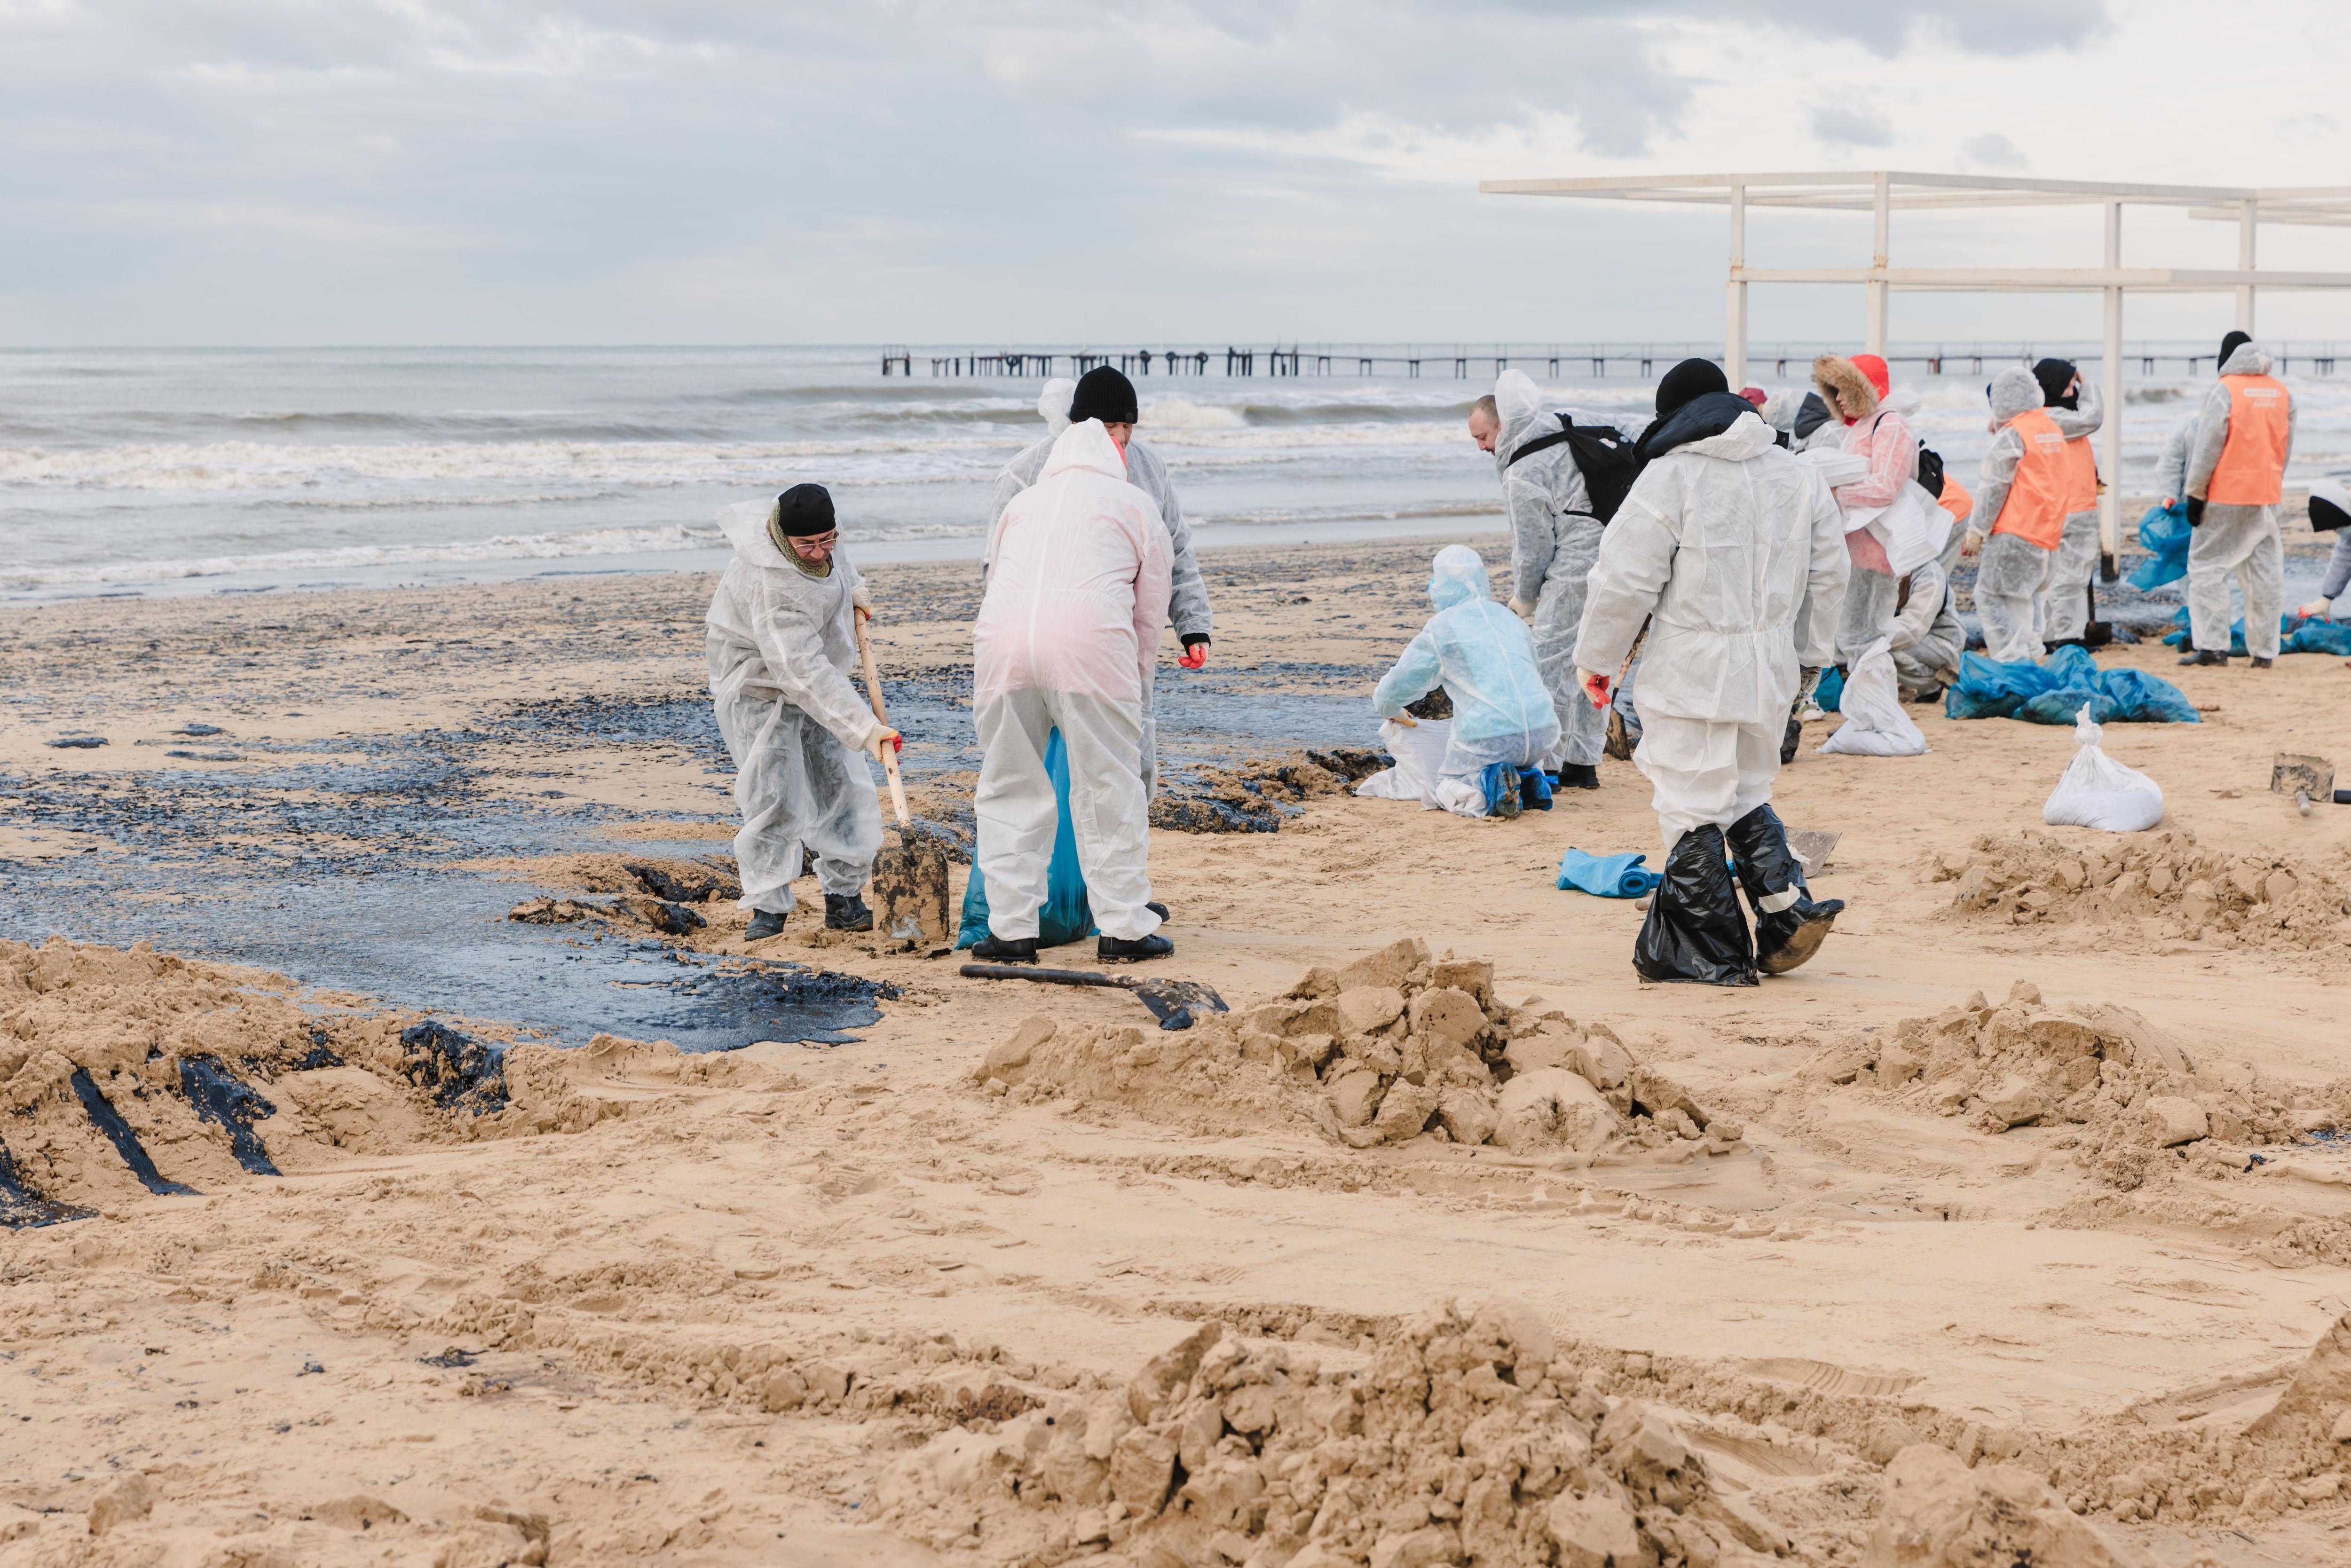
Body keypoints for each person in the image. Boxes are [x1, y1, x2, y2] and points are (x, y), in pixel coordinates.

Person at [1573, 359, 1848, 986]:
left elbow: (1622, 580)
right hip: (1771, 662)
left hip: (1691, 665)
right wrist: (1811, 654)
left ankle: (1712, 951)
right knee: (1748, 789)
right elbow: (1831, 574)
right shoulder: (1797, 473)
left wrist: (1597, 662)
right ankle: (1785, 911)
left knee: (1690, 799)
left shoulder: (1670, 476)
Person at [970, 417, 1174, 964]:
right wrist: (1134, 678)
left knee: (1008, 784)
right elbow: (1150, 606)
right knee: (1108, 786)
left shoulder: (1023, 502)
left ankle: (1011, 931)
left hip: (1002, 647)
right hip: (1090, 648)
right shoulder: (1133, 502)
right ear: (1114, 452)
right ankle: (1123, 930)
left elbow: (997, 578)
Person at [988, 367, 1210, 793]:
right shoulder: (1026, 472)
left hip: (1118, 636)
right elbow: (998, 563)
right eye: (1111, 426)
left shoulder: (1147, 469)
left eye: (1128, 425)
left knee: (1125, 752)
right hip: (1035, 635)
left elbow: (1175, 551)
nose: (1121, 438)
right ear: (1081, 425)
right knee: (1032, 764)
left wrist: (1192, 624)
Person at [705, 484, 898, 940]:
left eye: (826, 540)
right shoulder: (769, 581)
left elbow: (841, 564)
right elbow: (800, 671)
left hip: (815, 671)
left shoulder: (824, 538)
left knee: (841, 784)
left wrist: (855, 589)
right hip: (760, 682)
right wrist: (864, 728)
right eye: (806, 545)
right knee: (774, 794)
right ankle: (768, 906)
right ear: (783, 538)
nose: (818, 552)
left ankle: (845, 900)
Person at [1466, 370, 1614, 789]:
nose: (1481, 447)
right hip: (1619, 550)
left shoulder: (1521, 470)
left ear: (1503, 424)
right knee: (1597, 657)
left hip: (1577, 562)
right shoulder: (1567, 423)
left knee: (1550, 659)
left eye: (1483, 436)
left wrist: (1524, 598)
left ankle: (1547, 763)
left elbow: (1531, 549)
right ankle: (1583, 765)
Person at [1372, 544, 1561, 819]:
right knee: (1516, 752)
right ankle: (1531, 779)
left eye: (1436, 580)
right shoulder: (1511, 619)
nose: (1431, 587)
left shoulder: (1442, 628)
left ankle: (1487, 784)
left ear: (1446, 585)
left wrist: (1392, 711)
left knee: (1447, 786)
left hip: (1489, 738)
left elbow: (1396, 687)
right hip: (1544, 731)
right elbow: (1533, 675)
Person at [2182, 331, 2296, 668]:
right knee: (2265, 575)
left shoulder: (2225, 389)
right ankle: (2264, 652)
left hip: (2225, 496)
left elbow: (2207, 447)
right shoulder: (2282, 393)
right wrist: (2272, 481)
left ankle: (2213, 648)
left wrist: (2195, 493)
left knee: (2207, 570)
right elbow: (2285, 449)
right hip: (2265, 496)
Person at [1811, 354, 1917, 669]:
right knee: (1853, 637)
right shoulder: (1863, 425)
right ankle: (1868, 711)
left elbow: (1886, 486)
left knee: (1864, 638)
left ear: (1864, 388)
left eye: (1844, 389)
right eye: (1835, 390)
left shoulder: (1891, 424)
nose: (1839, 398)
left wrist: (1834, 494)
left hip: (1876, 549)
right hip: (1856, 547)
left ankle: (1876, 712)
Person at [1966, 368, 2071, 664]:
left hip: (2015, 533)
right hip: (2047, 535)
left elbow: (1994, 487)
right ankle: (2031, 658)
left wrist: (1977, 530)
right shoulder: (2050, 428)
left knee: (1991, 595)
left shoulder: (2012, 436)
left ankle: (2011, 663)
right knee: (2029, 600)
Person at [2028, 359, 2107, 646]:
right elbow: (2093, 417)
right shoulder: (2053, 417)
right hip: (2071, 507)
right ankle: (2066, 636)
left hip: (2062, 506)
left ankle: (2054, 635)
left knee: (2057, 575)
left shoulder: (2043, 416)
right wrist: (2089, 386)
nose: (2073, 389)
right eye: (2069, 384)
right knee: (2070, 577)